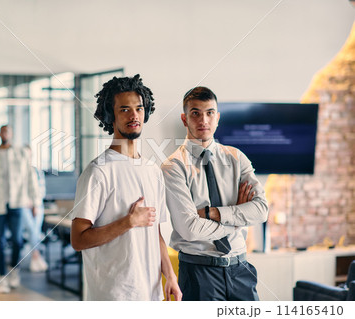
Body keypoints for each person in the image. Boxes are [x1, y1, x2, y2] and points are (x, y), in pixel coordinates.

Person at [70, 74, 182, 301]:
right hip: (113, 296)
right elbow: (78, 239)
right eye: (124, 110)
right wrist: (127, 222)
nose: (134, 115)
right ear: (111, 116)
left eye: (139, 108)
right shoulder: (98, 172)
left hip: (150, 294)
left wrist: (169, 275)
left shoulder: (153, 171)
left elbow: (155, 232)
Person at [161, 86, 269, 301]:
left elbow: (261, 210)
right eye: (195, 113)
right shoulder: (173, 166)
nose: (204, 120)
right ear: (184, 119)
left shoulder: (237, 158)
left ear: (217, 117)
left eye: (210, 113)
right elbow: (190, 229)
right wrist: (238, 218)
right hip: (199, 273)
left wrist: (212, 213)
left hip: (241, 270)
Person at [0, 125, 40, 294]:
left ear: (11, 134)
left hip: (17, 203)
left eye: (8, 131)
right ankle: (1, 276)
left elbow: (30, 178)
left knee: (18, 240)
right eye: (3, 131)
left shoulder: (21, 154)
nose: (5, 134)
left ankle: (14, 270)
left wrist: (35, 202)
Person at [22, 145, 48, 272]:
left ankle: (35, 256)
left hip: (37, 205)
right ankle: (36, 256)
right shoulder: (19, 172)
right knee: (33, 230)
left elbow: (41, 190)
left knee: (36, 231)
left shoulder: (37, 171)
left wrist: (36, 204)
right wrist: (28, 202)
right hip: (24, 205)